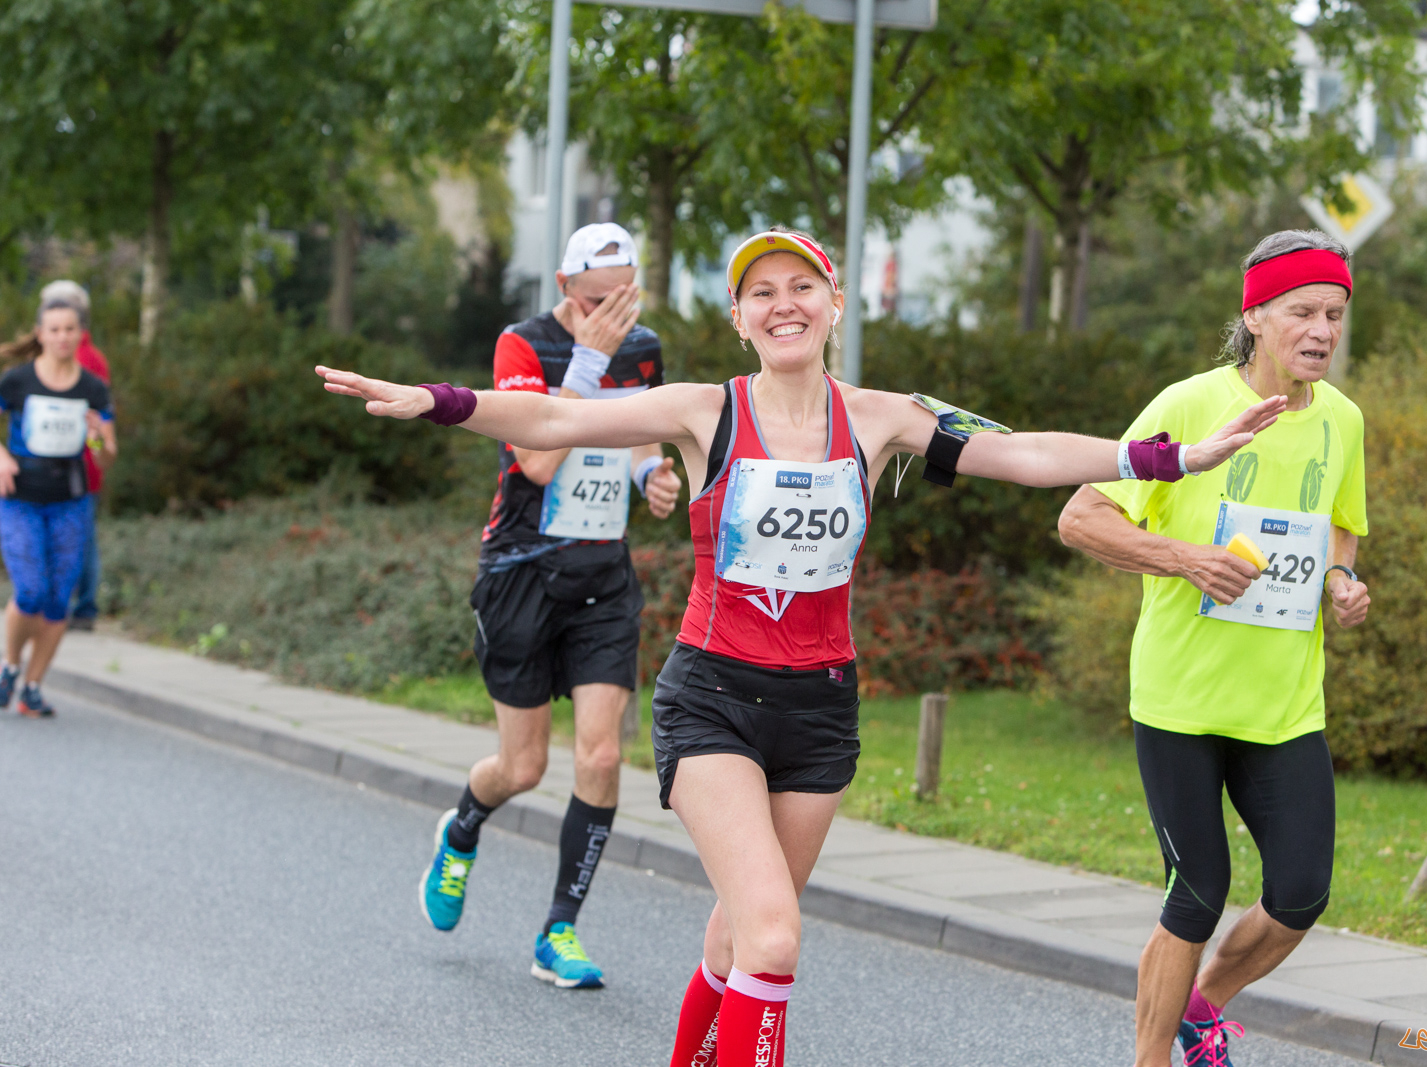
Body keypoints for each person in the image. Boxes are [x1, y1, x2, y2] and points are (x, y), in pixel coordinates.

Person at [318, 227, 1284, 1066]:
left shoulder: (883, 418)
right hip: (712, 699)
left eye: (801, 288)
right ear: (740, 319)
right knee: (774, 937)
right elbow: (559, 417)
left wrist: (1171, 456)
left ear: (832, 304)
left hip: (820, 711)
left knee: (737, 940)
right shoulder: (705, 410)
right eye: (761, 293)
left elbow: (1022, 452)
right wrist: (439, 401)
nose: (784, 306)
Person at [1057, 229, 1371, 1067]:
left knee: (1302, 891)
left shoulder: (1343, 420)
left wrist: (1341, 581)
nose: (1323, 330)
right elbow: (1081, 516)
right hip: (1181, 699)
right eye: (1303, 311)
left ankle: (1201, 1010)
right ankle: (1151, 1058)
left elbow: (1341, 527)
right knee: (1197, 893)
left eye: (1335, 314)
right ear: (1257, 316)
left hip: (1283, 704)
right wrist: (1186, 557)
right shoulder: (1189, 407)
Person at [416, 222, 685, 990]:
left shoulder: (641, 347)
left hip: (603, 575)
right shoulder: (522, 346)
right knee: (524, 764)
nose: (618, 312)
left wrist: (649, 480)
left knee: (601, 755)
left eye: (629, 295)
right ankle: (463, 826)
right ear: (567, 288)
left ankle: (558, 931)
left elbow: (639, 438)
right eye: (603, 298)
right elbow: (534, 457)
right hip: (522, 573)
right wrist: (589, 362)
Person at [0, 297, 117, 717]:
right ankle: (10, 666)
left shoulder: (93, 388)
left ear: (80, 334)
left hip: (71, 499)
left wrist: (96, 438)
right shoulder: (16, 381)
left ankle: (32, 687)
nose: (63, 337)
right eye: (54, 329)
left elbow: (106, 455)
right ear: (41, 334)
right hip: (20, 499)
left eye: (70, 329)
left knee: (57, 600)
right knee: (30, 590)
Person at [36, 280, 111, 632]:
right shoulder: (43, 365)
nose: (59, 335)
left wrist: (95, 445)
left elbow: (101, 432)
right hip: (48, 472)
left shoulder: (88, 363)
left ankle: (83, 608)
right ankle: (69, 606)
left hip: (78, 470)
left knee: (80, 540)